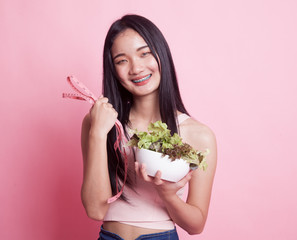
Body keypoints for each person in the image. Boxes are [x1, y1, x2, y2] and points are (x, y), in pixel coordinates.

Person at [80, 14, 217, 240]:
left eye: (145, 54)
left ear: (161, 55)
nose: (136, 68)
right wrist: (97, 132)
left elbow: (196, 225)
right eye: (121, 60)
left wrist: (168, 194)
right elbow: (95, 210)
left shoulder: (198, 135)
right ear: (113, 70)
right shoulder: (100, 122)